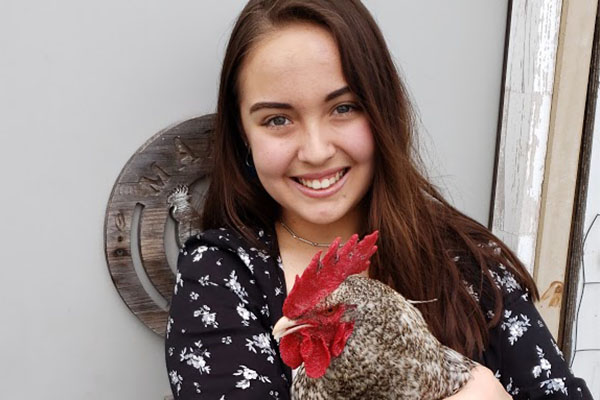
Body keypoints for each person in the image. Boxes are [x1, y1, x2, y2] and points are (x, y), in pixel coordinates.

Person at [165, 1, 593, 399]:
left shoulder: (467, 263)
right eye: (278, 119)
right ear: (244, 132)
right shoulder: (221, 275)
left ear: (381, 111)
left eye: (344, 108)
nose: (315, 151)